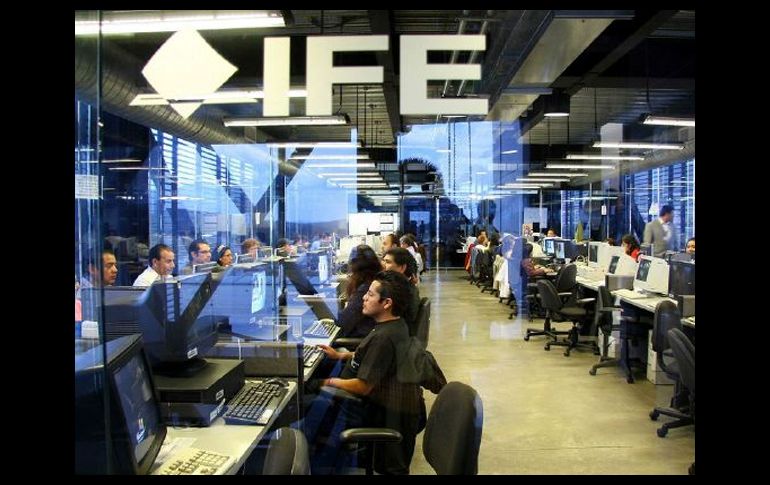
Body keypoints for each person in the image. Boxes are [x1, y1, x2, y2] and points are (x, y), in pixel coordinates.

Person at [315, 271, 421, 474]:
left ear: (386, 303)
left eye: (371, 294)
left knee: (302, 403)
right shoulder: (393, 325)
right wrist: (341, 356)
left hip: (365, 409)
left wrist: (328, 382)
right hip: (376, 402)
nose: (364, 297)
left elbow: (363, 386)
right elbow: (373, 358)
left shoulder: (383, 338)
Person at [337, 245, 382, 338]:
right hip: (367, 333)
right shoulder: (376, 280)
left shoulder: (365, 289)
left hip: (358, 338)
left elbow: (343, 322)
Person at [383, 247, 421, 327]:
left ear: (402, 268)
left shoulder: (399, 294)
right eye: (384, 261)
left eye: (388, 262)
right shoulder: (408, 287)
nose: (383, 265)